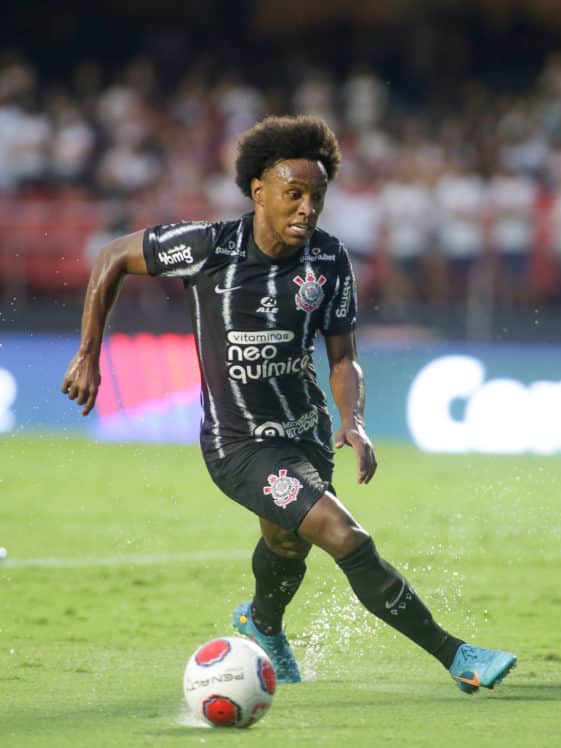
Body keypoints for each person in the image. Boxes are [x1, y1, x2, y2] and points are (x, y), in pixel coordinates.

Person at [61, 114, 516, 694]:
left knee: (285, 542)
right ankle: (459, 657)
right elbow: (112, 257)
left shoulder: (328, 262)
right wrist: (88, 354)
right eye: (294, 194)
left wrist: (353, 422)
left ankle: (262, 622)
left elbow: (344, 357)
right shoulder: (208, 247)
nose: (307, 208)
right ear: (258, 192)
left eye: (317, 196)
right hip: (240, 444)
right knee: (344, 534)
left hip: (307, 433)